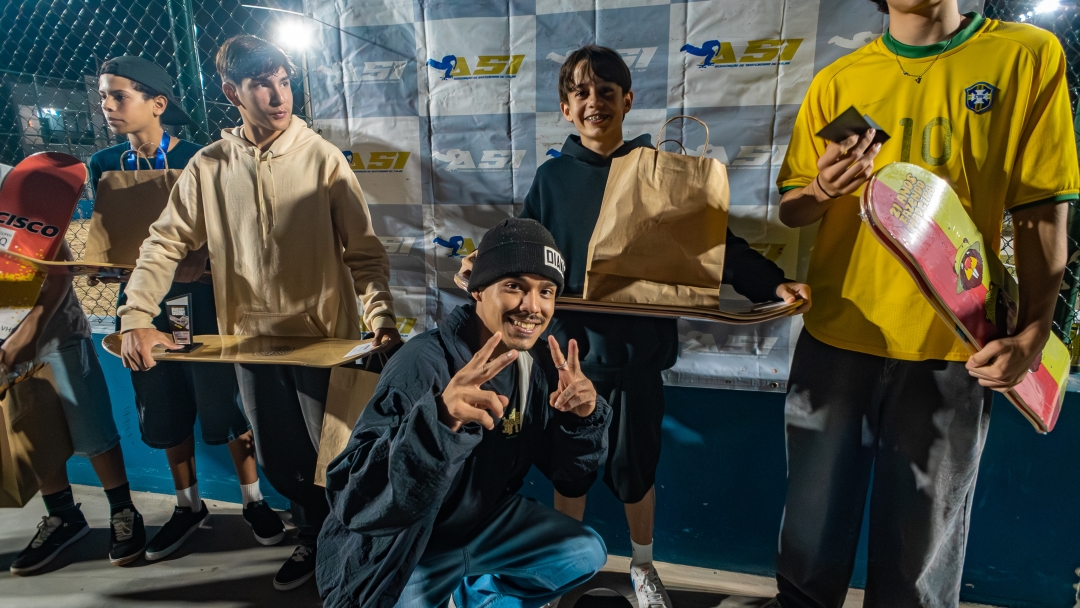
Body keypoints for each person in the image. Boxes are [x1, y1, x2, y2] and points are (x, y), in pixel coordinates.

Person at [461, 44, 811, 608]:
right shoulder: (551, 179)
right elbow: (521, 249)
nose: (593, 101)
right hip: (566, 362)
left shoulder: (663, 174)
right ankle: (559, 573)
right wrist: (481, 266)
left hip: (639, 361)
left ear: (627, 101)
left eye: (605, 91)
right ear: (565, 109)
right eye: (580, 92)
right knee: (566, 472)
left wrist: (771, 283)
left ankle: (644, 570)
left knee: (636, 471)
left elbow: (716, 246)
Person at [770, 1, 1078, 605]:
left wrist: (1036, 330)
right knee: (806, 557)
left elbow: (1043, 211)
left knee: (917, 575)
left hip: (954, 347)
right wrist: (820, 188)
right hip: (836, 339)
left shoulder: (1025, 56)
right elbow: (793, 207)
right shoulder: (840, 78)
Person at [116, 36, 399, 591]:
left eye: (284, 81)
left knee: (336, 457)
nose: (278, 95)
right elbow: (164, 244)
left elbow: (364, 253)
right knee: (280, 460)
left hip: (326, 345)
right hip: (249, 344)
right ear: (232, 92)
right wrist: (135, 316)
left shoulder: (323, 159)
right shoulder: (209, 165)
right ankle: (315, 535)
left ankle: (351, 548)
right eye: (262, 83)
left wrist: (381, 317)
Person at [317, 219, 611, 608]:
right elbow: (353, 499)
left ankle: (474, 595)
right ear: (477, 291)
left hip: (483, 525)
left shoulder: (537, 365)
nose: (532, 307)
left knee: (585, 552)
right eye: (514, 286)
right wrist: (438, 421)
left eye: (546, 291)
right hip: (408, 542)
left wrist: (581, 420)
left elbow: (569, 478)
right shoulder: (422, 362)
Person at [89, 56, 285, 561]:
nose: (107, 106)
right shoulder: (105, 163)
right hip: (139, 303)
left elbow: (238, 237)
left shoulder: (206, 157)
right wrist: (104, 265)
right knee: (162, 405)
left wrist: (203, 261)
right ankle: (187, 505)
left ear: (157, 103)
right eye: (103, 96)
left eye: (118, 96)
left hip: (202, 301)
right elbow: (112, 236)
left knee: (226, 404)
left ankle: (253, 500)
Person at [1, 169, 146, 573]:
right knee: (34, 427)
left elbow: (61, 264)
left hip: (53, 333)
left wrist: (29, 330)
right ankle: (63, 516)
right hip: (2, 334)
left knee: (90, 425)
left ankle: (123, 510)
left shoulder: (13, 186)